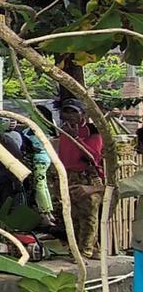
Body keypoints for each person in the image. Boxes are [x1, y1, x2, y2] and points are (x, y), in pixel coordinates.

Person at [57, 99, 104, 256]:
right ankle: (80, 249)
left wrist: (77, 138)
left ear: (82, 114)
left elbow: (94, 156)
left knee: (88, 215)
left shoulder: (93, 130)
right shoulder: (63, 130)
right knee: (73, 215)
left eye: (74, 112)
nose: (70, 116)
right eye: (66, 112)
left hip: (86, 176)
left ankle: (85, 251)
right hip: (68, 176)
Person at [18, 124, 57, 229]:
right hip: (45, 157)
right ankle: (49, 212)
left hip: (39, 159)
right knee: (43, 186)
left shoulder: (34, 131)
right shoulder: (45, 128)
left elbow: (35, 145)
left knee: (39, 186)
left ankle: (44, 212)